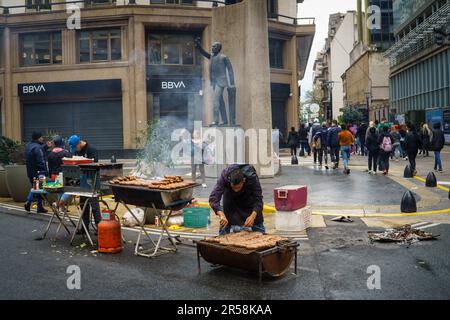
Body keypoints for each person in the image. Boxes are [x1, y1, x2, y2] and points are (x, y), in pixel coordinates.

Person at [209, 164, 264, 235]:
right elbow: (214, 198)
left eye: (238, 187)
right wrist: (221, 214)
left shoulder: (252, 178)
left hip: (249, 203)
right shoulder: (224, 176)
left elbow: (258, 200)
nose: (236, 190)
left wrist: (252, 216)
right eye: (233, 187)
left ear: (243, 180)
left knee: (261, 237)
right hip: (231, 202)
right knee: (223, 236)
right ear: (229, 180)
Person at [62, 135, 100, 234]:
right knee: (83, 205)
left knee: (94, 205)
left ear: (79, 143)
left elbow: (95, 164)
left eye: (76, 147)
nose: (75, 150)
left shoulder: (92, 149)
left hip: (92, 182)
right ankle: (84, 228)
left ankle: (100, 228)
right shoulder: (76, 151)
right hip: (82, 182)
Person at [24, 132, 48, 213]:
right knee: (38, 188)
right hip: (39, 172)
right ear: (38, 138)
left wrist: (46, 147)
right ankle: (29, 202)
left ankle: (39, 207)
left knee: (36, 188)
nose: (43, 139)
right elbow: (40, 160)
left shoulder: (28, 146)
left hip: (30, 172)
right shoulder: (38, 147)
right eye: (41, 137)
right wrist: (44, 171)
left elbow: (32, 156)